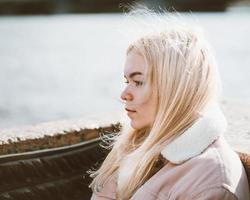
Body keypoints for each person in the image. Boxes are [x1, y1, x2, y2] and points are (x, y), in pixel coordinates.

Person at [88, 6, 250, 200]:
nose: (124, 94)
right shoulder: (134, 145)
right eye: (127, 81)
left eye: (138, 82)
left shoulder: (211, 183)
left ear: (173, 88)